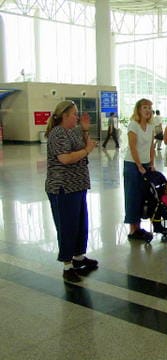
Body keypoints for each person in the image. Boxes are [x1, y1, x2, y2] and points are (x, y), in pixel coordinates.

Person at [45, 100, 98, 283]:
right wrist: (87, 150)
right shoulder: (57, 133)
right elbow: (65, 158)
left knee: (80, 224)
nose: (77, 116)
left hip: (78, 186)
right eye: (74, 114)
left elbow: (84, 144)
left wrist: (84, 130)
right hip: (63, 188)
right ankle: (67, 266)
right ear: (64, 116)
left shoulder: (72, 131)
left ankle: (78, 257)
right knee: (67, 227)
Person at [124, 98, 155, 241]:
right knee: (132, 196)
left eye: (149, 107)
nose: (148, 110)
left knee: (143, 196)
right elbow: (132, 146)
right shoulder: (133, 125)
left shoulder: (151, 127)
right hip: (132, 165)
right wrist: (138, 165)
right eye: (144, 107)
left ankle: (138, 227)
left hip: (146, 164)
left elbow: (151, 147)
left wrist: (151, 164)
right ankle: (132, 229)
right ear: (138, 110)